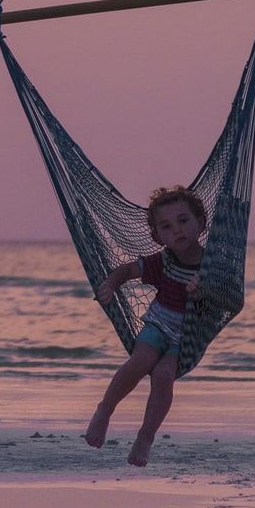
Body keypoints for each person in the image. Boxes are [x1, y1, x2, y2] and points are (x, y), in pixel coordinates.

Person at [84, 185, 206, 467]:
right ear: (157, 236)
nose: (176, 230)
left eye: (183, 221)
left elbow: (224, 296)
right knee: (142, 360)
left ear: (201, 222)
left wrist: (203, 289)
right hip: (158, 325)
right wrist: (111, 284)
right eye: (166, 226)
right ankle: (105, 410)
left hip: (187, 339)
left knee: (164, 375)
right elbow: (127, 270)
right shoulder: (163, 261)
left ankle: (145, 436)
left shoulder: (212, 264)